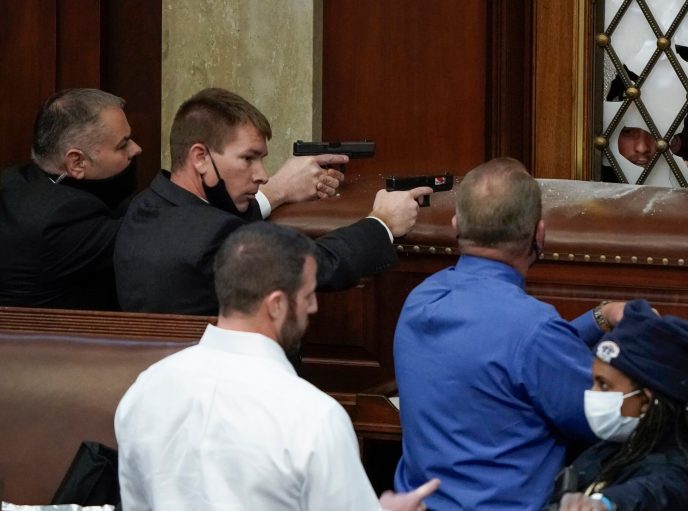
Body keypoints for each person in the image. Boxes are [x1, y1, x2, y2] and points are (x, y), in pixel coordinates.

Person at [115, 221, 440, 510]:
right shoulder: (313, 416)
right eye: (309, 294)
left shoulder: (145, 388)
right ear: (277, 305)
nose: (313, 307)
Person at [393, 158, 627, 510]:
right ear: (540, 233)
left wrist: (599, 318)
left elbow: (517, 356)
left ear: (456, 225)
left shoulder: (420, 301)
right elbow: (608, 418)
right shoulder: (533, 330)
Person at [114, 87, 430, 315]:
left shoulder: (144, 206)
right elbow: (317, 265)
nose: (262, 175)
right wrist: (383, 223)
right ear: (200, 157)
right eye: (248, 159)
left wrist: (277, 192)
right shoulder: (214, 236)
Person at [554, 299, 688, 511]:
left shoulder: (685, 474)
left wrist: (605, 504)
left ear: (644, 400)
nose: (592, 394)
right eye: (594, 382)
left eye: (604, 386)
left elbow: (651, 494)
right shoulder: (611, 447)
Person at [0, 88, 142, 309]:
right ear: (76, 162)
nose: (136, 149)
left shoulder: (14, 181)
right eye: (123, 144)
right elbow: (147, 236)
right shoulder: (64, 218)